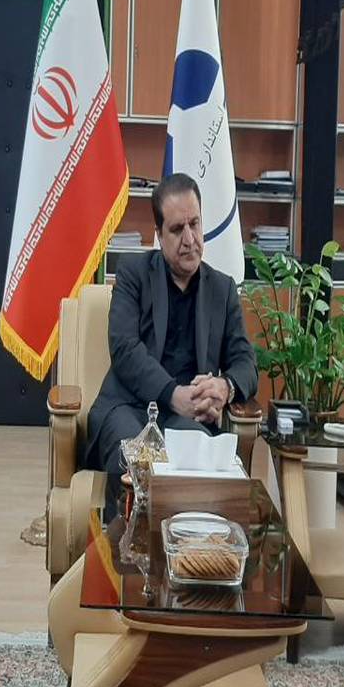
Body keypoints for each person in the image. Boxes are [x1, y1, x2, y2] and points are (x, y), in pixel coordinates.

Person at [85, 174, 258, 516]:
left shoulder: (222, 289)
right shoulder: (134, 274)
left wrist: (225, 387)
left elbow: (246, 362)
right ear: (159, 236)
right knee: (137, 459)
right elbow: (124, 348)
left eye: (195, 224)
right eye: (178, 229)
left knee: (197, 468)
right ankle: (124, 545)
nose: (190, 239)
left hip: (187, 419)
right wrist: (172, 394)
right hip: (129, 407)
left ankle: (187, 548)